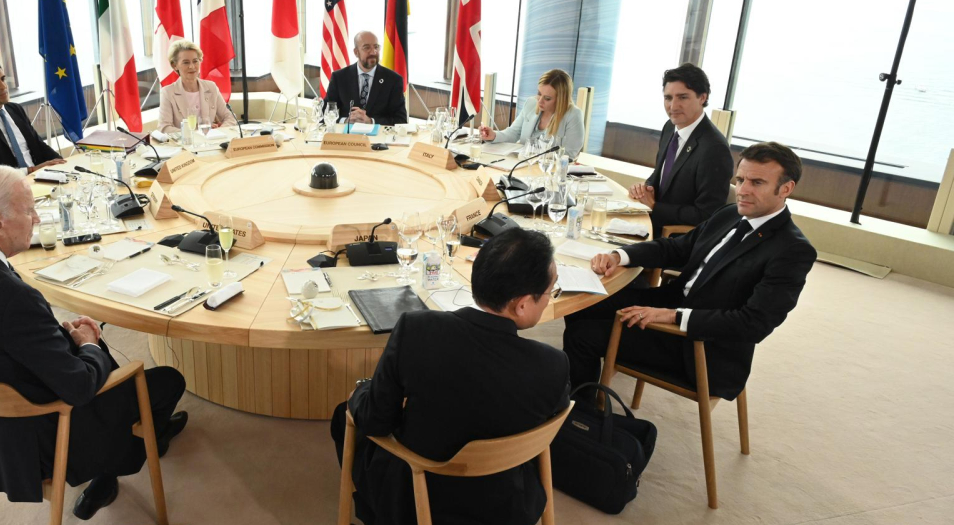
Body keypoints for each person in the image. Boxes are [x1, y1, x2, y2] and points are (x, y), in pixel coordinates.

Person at [0, 165, 188, 520]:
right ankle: (119, 460)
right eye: (29, 210)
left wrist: (54, 336)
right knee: (167, 380)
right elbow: (78, 388)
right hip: (41, 439)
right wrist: (88, 343)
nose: (36, 218)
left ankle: (141, 438)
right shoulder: (10, 297)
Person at [330, 228, 570, 525]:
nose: (549, 298)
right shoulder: (553, 365)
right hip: (508, 505)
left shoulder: (417, 329)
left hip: (416, 503)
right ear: (521, 304)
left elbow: (377, 421)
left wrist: (361, 393)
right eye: (550, 291)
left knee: (346, 415)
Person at [564, 142, 817, 401]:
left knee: (582, 336)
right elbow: (676, 248)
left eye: (757, 183)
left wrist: (672, 316)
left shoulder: (792, 250)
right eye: (740, 180)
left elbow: (753, 324)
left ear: (786, 188)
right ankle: (581, 396)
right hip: (673, 303)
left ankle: (580, 419)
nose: (743, 190)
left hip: (701, 347)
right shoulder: (731, 214)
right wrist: (620, 255)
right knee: (583, 303)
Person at [629, 63, 733, 237]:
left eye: (682, 97)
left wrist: (655, 206)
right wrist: (644, 188)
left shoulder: (715, 149)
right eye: (668, 98)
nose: (673, 106)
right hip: (648, 225)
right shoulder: (670, 128)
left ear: (702, 98)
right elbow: (661, 177)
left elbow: (707, 214)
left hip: (676, 239)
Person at [479, 68, 585, 159]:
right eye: (539, 94)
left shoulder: (573, 115)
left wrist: (536, 157)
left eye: (547, 98)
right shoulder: (531, 103)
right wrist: (493, 135)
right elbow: (514, 133)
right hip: (520, 165)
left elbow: (569, 155)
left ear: (561, 99)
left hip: (547, 172)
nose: (540, 101)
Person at [322, 31, 408, 126]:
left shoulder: (393, 80)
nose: (373, 52)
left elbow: (401, 120)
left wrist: (371, 121)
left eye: (376, 47)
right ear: (356, 52)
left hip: (378, 139)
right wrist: (346, 121)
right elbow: (324, 114)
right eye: (367, 47)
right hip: (347, 138)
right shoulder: (339, 78)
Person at [158, 40, 238, 134]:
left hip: (211, 143)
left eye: (195, 61)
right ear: (174, 65)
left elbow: (230, 118)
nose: (192, 66)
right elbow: (164, 128)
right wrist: (198, 133)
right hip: (184, 145)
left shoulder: (211, 87)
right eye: (186, 62)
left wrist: (217, 132)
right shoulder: (168, 92)